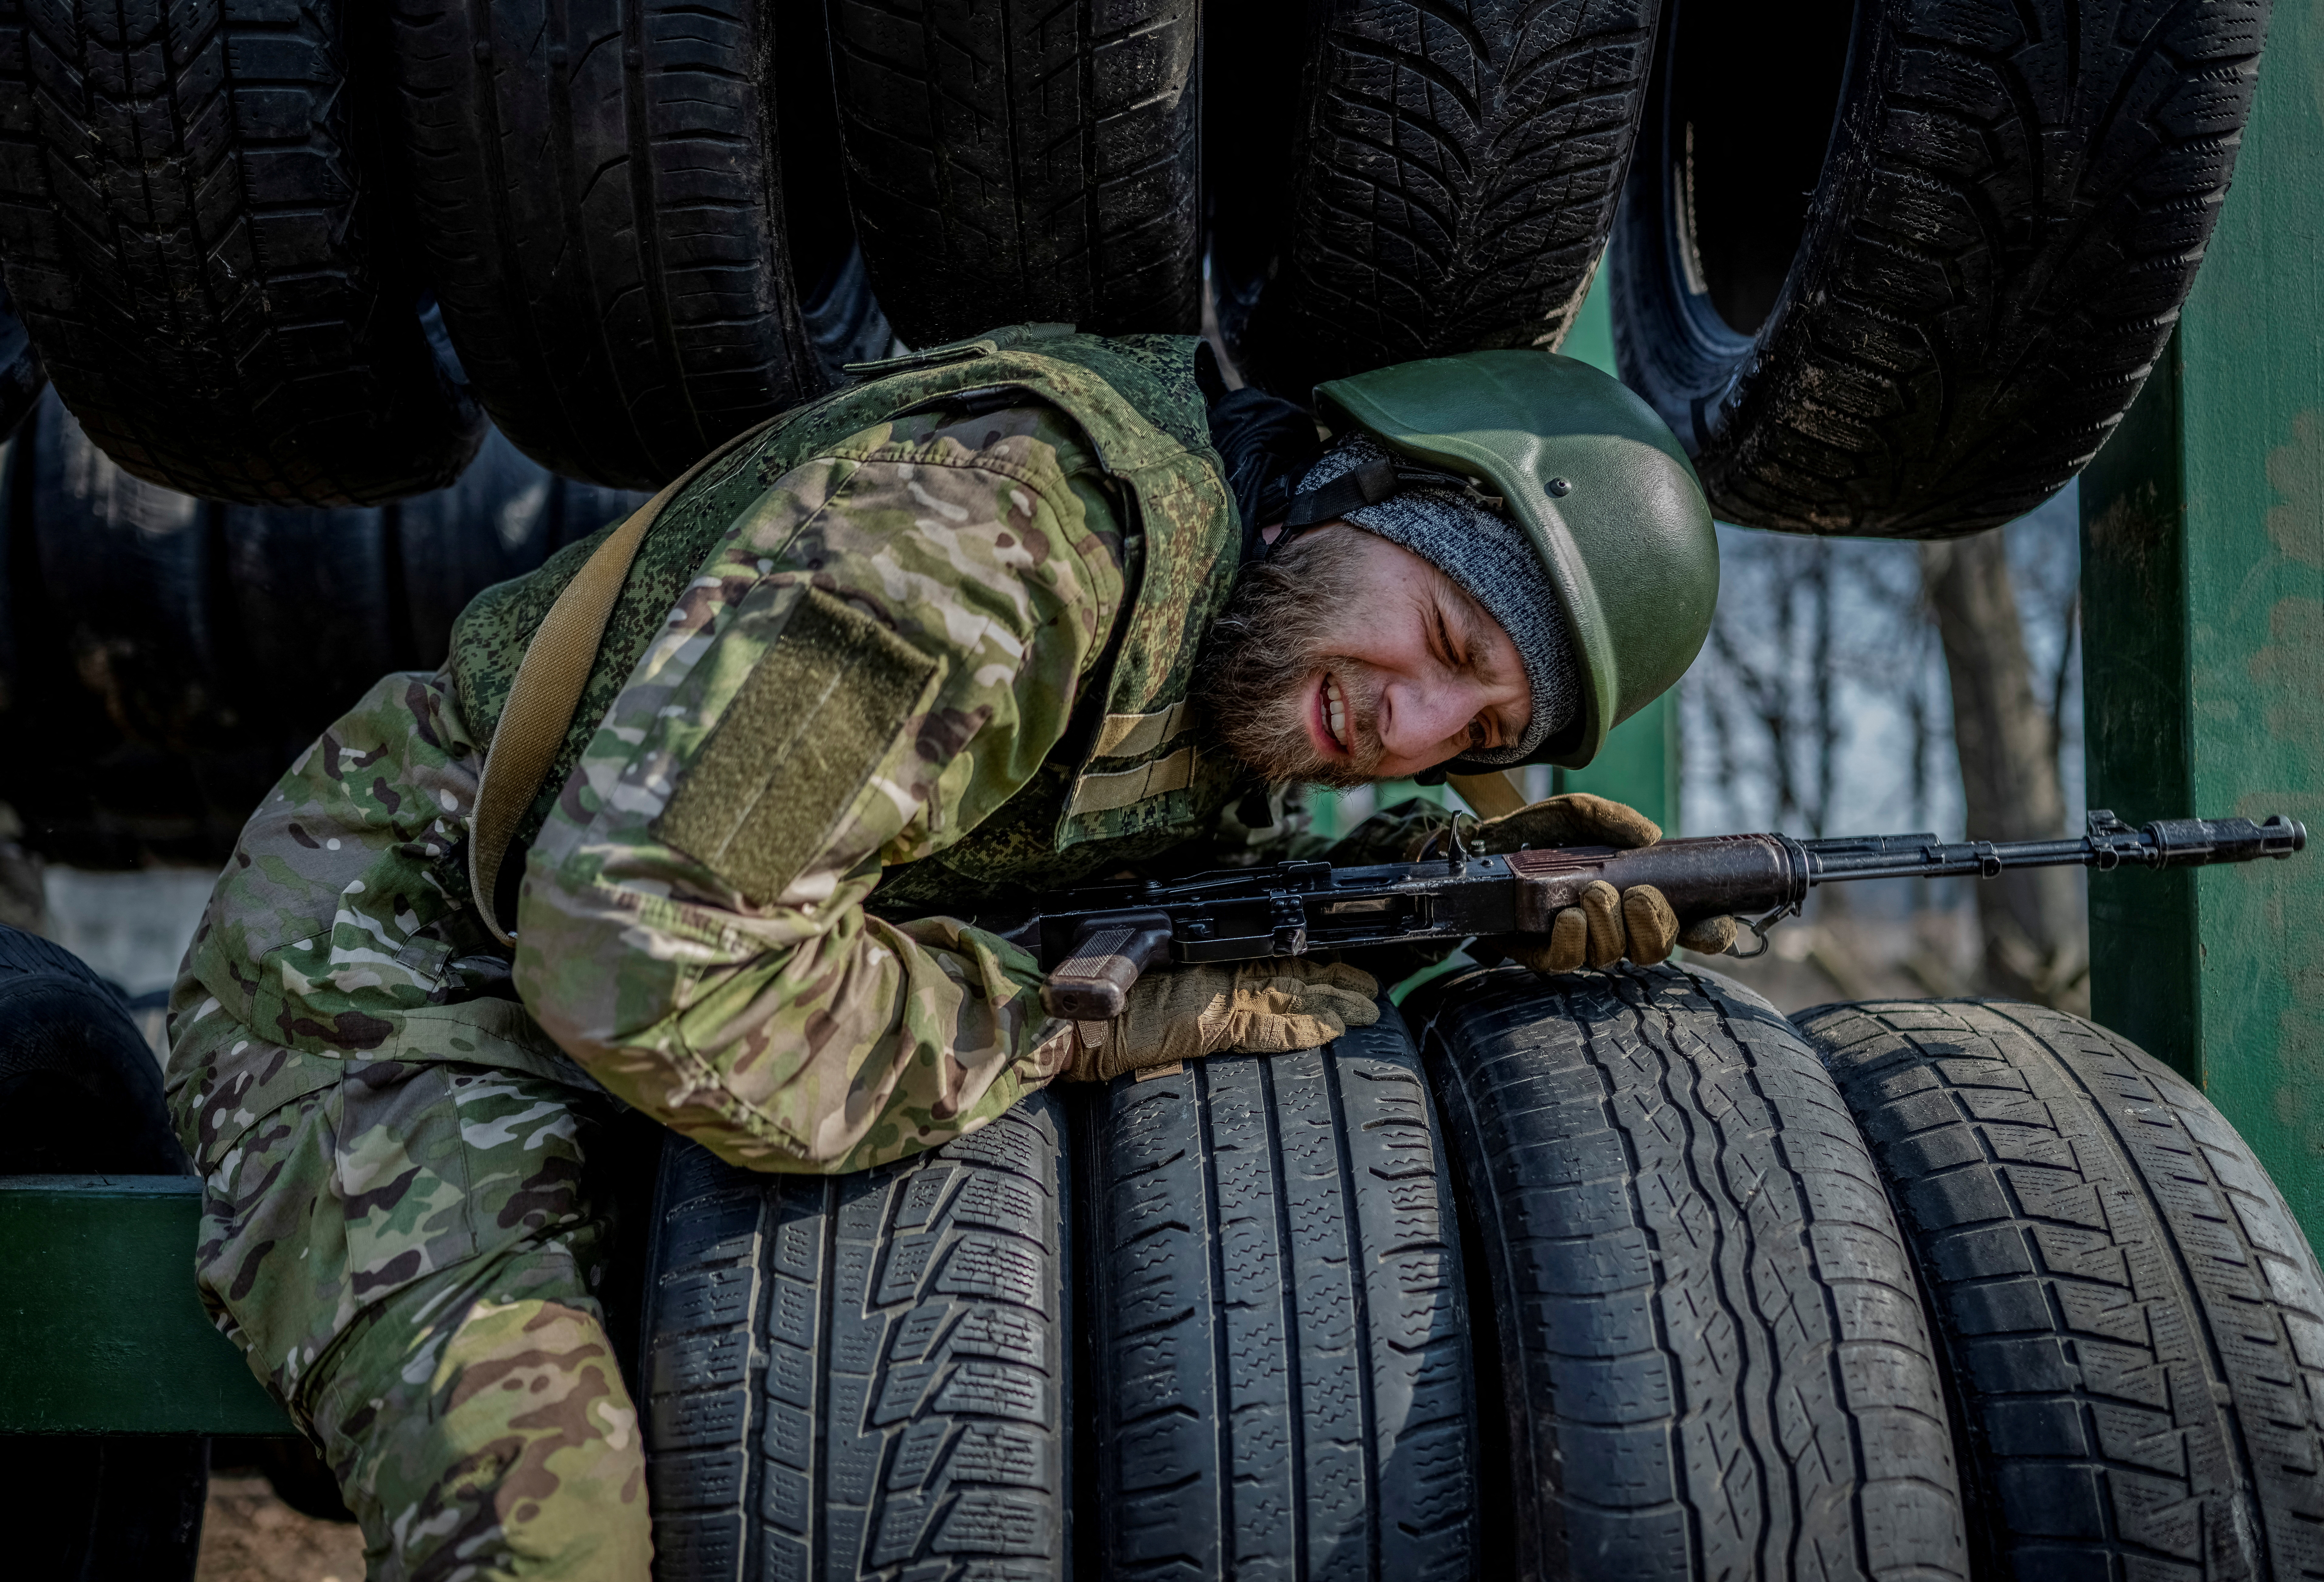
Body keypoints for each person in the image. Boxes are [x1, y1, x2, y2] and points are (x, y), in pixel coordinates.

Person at [165, 324, 1723, 1577]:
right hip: (410, 977)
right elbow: (631, 962)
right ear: (1352, 487)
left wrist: (1459, 889)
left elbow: (1188, 887)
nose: (1412, 727)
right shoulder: (991, 551)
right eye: (1444, 644)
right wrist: (1070, 1022)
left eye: (1482, 733)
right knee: (543, 1524)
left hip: (701, 1004)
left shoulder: (1239, 649)